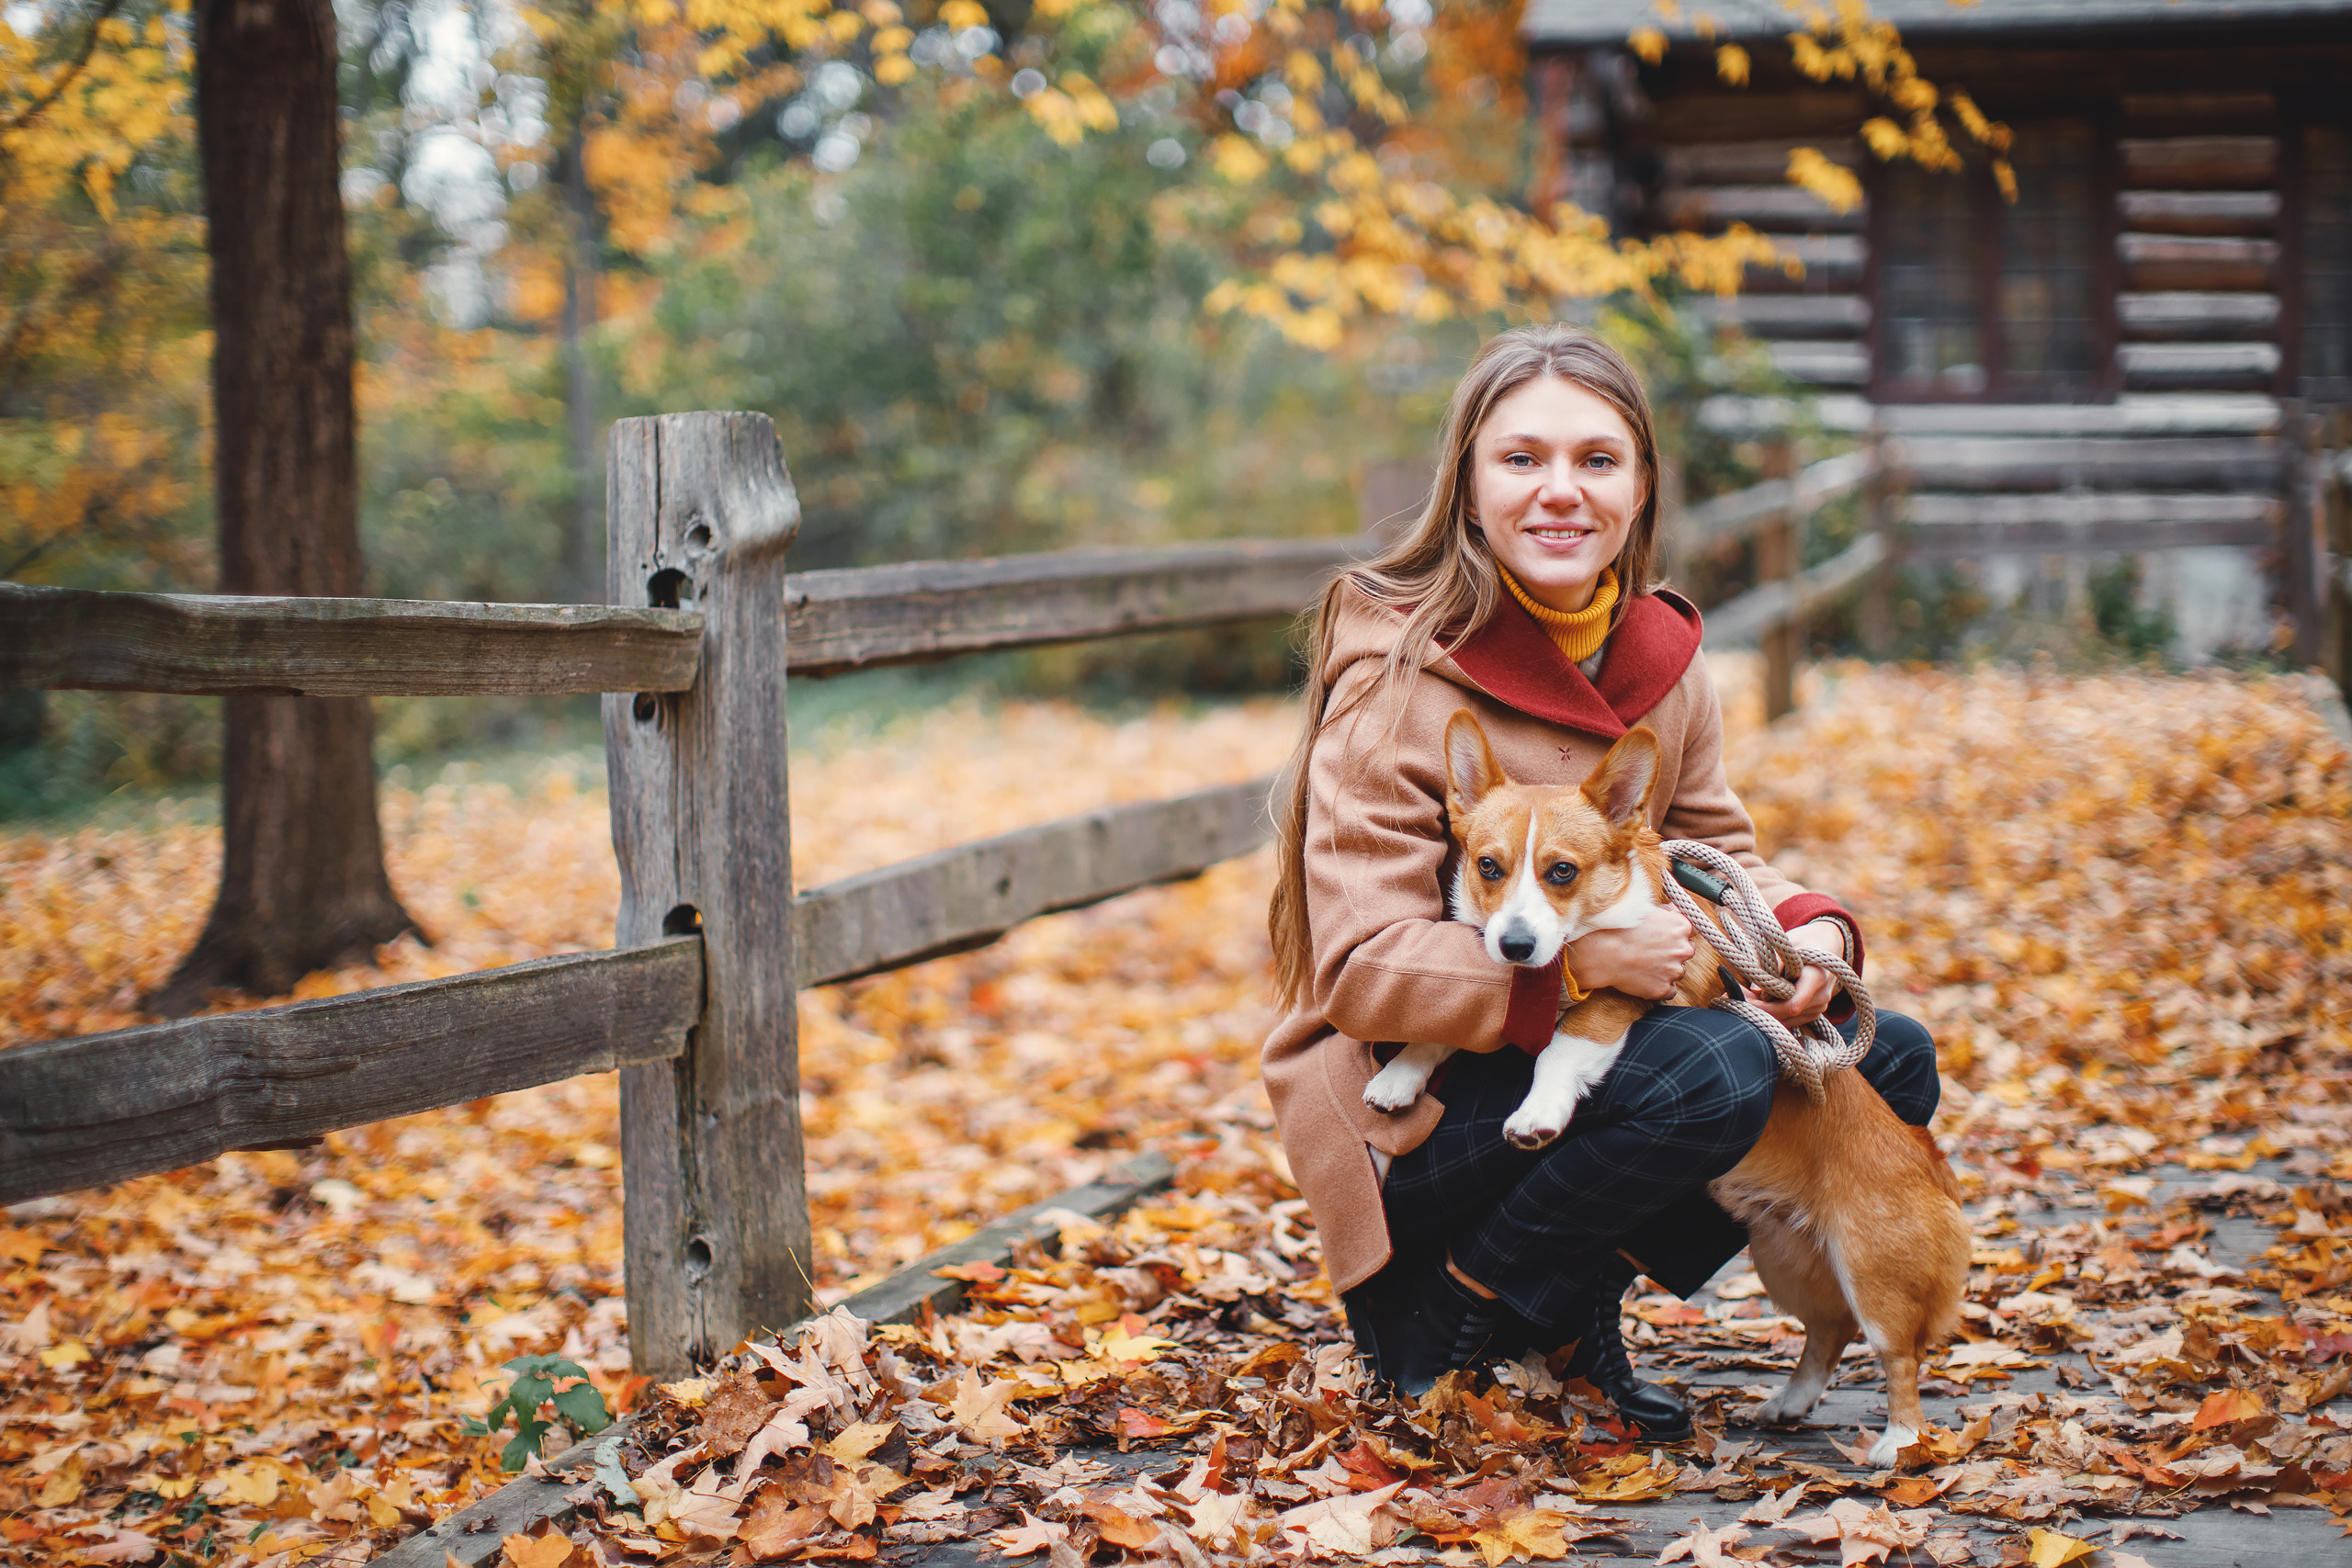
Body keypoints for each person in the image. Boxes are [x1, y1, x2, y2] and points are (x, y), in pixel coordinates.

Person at [1260, 323, 1941, 1440]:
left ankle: (1560, 1311)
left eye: (1596, 460)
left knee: (1884, 1058)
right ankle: (1444, 1311)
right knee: (1709, 1068)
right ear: (1469, 490)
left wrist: (1810, 944)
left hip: (1571, 1066)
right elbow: (1357, 970)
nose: (1559, 492)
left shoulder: (1663, 666)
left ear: (1639, 489)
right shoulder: (1395, 670)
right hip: (1414, 1093)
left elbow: (1719, 849)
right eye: (1521, 459)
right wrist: (1578, 961)